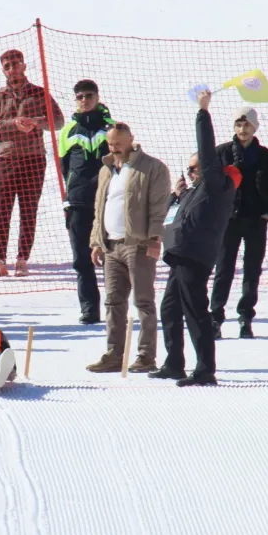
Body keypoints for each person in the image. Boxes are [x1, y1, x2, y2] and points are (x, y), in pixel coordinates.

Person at [153, 90, 240, 386]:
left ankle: (205, 369)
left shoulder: (217, 183)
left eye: (194, 169)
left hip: (194, 255)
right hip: (180, 253)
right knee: (169, 308)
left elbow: (206, 151)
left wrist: (203, 112)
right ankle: (174, 363)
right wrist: (177, 196)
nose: (190, 173)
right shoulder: (197, 191)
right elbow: (174, 218)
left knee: (195, 310)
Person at [86, 122, 169, 374]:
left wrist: (155, 237)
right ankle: (114, 354)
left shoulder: (151, 167)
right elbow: (99, 208)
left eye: (119, 144)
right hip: (111, 246)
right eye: (111, 144)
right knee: (113, 302)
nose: (114, 148)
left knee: (143, 301)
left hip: (139, 245)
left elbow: (158, 206)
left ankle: (146, 355)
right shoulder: (107, 169)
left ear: (131, 139)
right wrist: (96, 242)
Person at [0, 49, 65, 277]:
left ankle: (22, 259)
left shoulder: (40, 94)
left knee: (28, 210)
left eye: (16, 64)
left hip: (33, 159)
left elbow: (58, 122)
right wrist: (12, 124)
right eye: (7, 66)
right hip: (5, 160)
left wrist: (37, 122)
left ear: (24, 65)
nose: (12, 69)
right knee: (2, 210)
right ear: (3, 70)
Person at [210, 106, 268, 339]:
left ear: (255, 126)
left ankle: (245, 316)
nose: (242, 129)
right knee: (224, 269)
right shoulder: (222, 153)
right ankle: (216, 315)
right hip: (228, 220)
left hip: (255, 220)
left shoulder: (266, 156)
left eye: (247, 125)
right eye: (238, 125)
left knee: (252, 271)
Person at [58, 79, 114, 324]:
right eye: (80, 96)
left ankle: (116, 306)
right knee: (82, 258)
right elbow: (64, 167)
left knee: (114, 257)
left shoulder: (113, 127)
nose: (84, 100)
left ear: (97, 97)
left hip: (110, 199)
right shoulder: (68, 129)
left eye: (89, 95)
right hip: (79, 202)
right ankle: (90, 308)